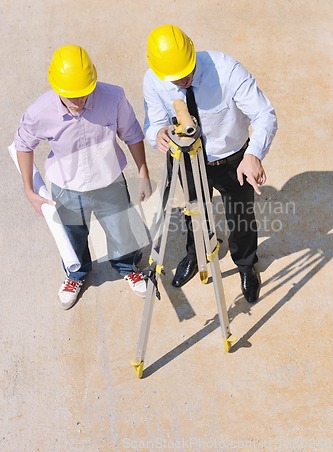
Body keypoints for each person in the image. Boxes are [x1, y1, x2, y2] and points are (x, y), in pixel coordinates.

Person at [143, 25, 277, 303]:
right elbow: (153, 123)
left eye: (185, 73)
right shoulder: (153, 80)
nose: (181, 81)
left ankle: (246, 263)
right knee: (194, 210)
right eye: (174, 78)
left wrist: (253, 155)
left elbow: (264, 114)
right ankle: (197, 253)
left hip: (232, 160)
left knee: (240, 215)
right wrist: (157, 135)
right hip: (188, 159)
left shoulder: (226, 70)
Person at [14, 44, 152, 309]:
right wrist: (29, 191)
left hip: (109, 181)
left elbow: (132, 133)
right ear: (56, 87)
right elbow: (23, 144)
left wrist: (143, 172)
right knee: (73, 237)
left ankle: (127, 266)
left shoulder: (113, 98)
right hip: (67, 190)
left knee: (120, 231)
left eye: (84, 93)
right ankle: (76, 274)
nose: (79, 101)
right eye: (71, 96)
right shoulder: (40, 112)